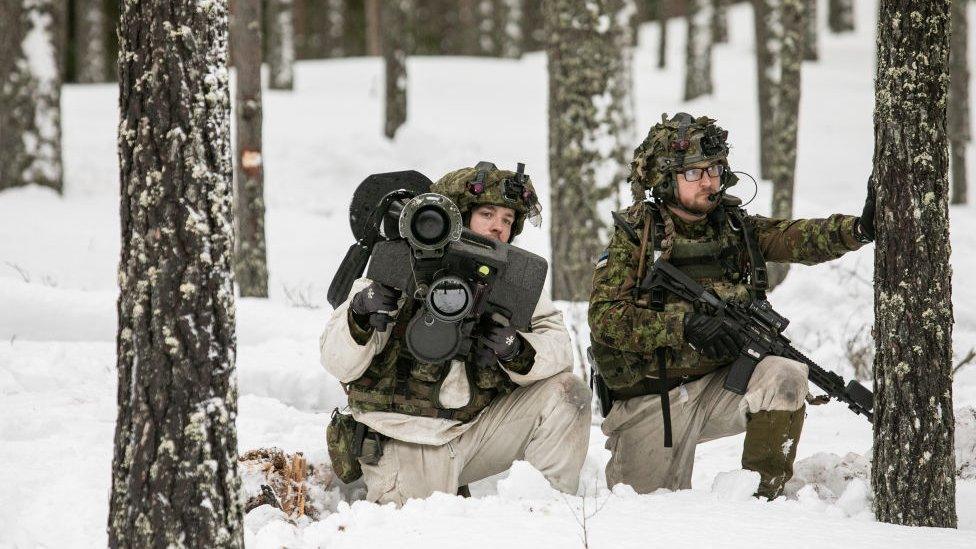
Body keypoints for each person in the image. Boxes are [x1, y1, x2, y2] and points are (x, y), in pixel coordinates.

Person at [588, 113, 875, 499]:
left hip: (719, 389)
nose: (708, 181)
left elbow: (795, 238)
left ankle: (759, 499)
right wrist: (683, 326)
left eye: (715, 169)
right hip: (654, 400)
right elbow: (604, 318)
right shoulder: (638, 236)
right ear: (665, 179)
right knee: (645, 513)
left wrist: (858, 229)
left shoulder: (736, 227)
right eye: (694, 173)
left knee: (787, 374)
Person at [321, 162, 591, 506]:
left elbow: (560, 348)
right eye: (488, 214)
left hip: (471, 433)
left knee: (569, 395)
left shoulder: (513, 282)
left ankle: (547, 516)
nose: (497, 228)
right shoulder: (398, 262)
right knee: (421, 534)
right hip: (404, 435)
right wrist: (360, 312)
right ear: (459, 215)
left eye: (507, 220)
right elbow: (337, 361)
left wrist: (516, 349)